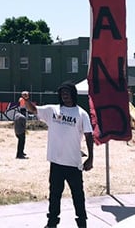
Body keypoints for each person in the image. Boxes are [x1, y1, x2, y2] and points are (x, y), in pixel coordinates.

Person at [21, 81, 94, 228]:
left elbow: (88, 135)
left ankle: (82, 222)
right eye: (62, 93)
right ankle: (52, 222)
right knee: (54, 195)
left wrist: (91, 158)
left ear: (73, 94)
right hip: (56, 163)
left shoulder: (81, 114)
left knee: (78, 196)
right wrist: (26, 100)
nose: (65, 96)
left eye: (67, 93)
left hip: (74, 163)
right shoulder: (52, 110)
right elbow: (34, 110)